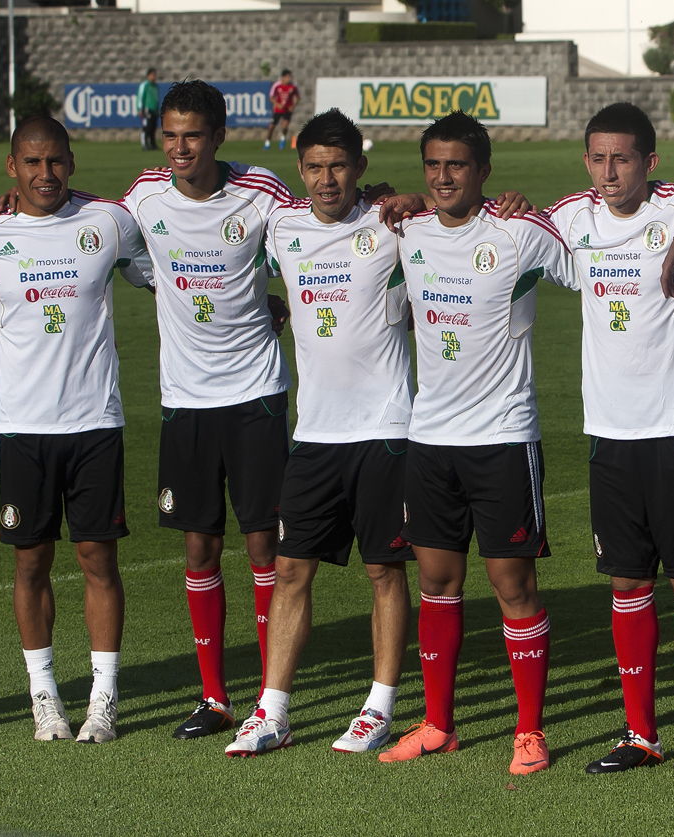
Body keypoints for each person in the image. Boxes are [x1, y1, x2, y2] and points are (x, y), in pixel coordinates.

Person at [374, 111, 571, 775]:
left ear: (484, 171)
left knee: (512, 584)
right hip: (429, 439)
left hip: (503, 438)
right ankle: (437, 723)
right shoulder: (409, 229)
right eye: (432, 164)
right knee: (436, 580)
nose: (442, 176)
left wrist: (534, 208)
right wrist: (391, 197)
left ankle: (529, 730)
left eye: (456, 164)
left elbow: (590, 266)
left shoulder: (518, 232)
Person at [539, 102, 674, 774]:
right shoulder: (570, 217)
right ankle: (639, 730)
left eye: (622, 158)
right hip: (608, 430)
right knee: (625, 580)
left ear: (650, 161)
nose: (609, 171)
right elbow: (499, 226)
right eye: (597, 157)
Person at [225, 109, 413, 757]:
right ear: (299, 169)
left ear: (359, 168)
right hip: (314, 433)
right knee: (289, 568)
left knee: (384, 570)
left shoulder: (392, 223)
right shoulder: (281, 226)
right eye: (313, 167)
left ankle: (378, 707)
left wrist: (407, 198)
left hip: (386, 429)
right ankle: (272, 710)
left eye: (338, 166)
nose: (326, 179)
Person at [0, 116, 151, 744]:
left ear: (71, 162)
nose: (45, 175)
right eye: (32, 163)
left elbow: (174, 259)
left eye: (56, 163)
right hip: (21, 426)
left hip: (95, 419)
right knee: (30, 563)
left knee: (98, 557)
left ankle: (103, 698)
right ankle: (45, 697)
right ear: (11, 166)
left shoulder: (108, 222)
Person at [121, 79, 293, 740]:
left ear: (218, 136)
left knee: (261, 544)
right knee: (198, 546)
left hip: (254, 395)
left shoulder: (262, 191)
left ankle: (267, 696)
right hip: (184, 401)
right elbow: (99, 237)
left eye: (192, 135)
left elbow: (307, 240)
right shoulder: (142, 196)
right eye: (170, 134)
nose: (179, 147)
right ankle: (214, 695)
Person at [266, 70, 300, 151]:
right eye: (288, 77)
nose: (289, 79)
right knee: (271, 127)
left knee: (285, 126)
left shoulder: (293, 87)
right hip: (278, 110)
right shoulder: (277, 85)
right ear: (283, 77)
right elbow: (271, 97)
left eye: (290, 77)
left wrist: (293, 106)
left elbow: (298, 97)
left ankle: (282, 139)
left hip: (287, 110)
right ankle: (267, 143)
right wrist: (277, 104)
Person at [138, 69, 159, 152]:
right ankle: (145, 144)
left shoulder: (155, 86)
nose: (154, 77)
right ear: (148, 75)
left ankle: (152, 144)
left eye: (155, 75)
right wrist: (140, 108)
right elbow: (140, 97)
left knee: (153, 128)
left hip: (154, 110)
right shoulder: (145, 85)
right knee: (147, 127)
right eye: (153, 75)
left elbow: (156, 98)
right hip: (147, 109)